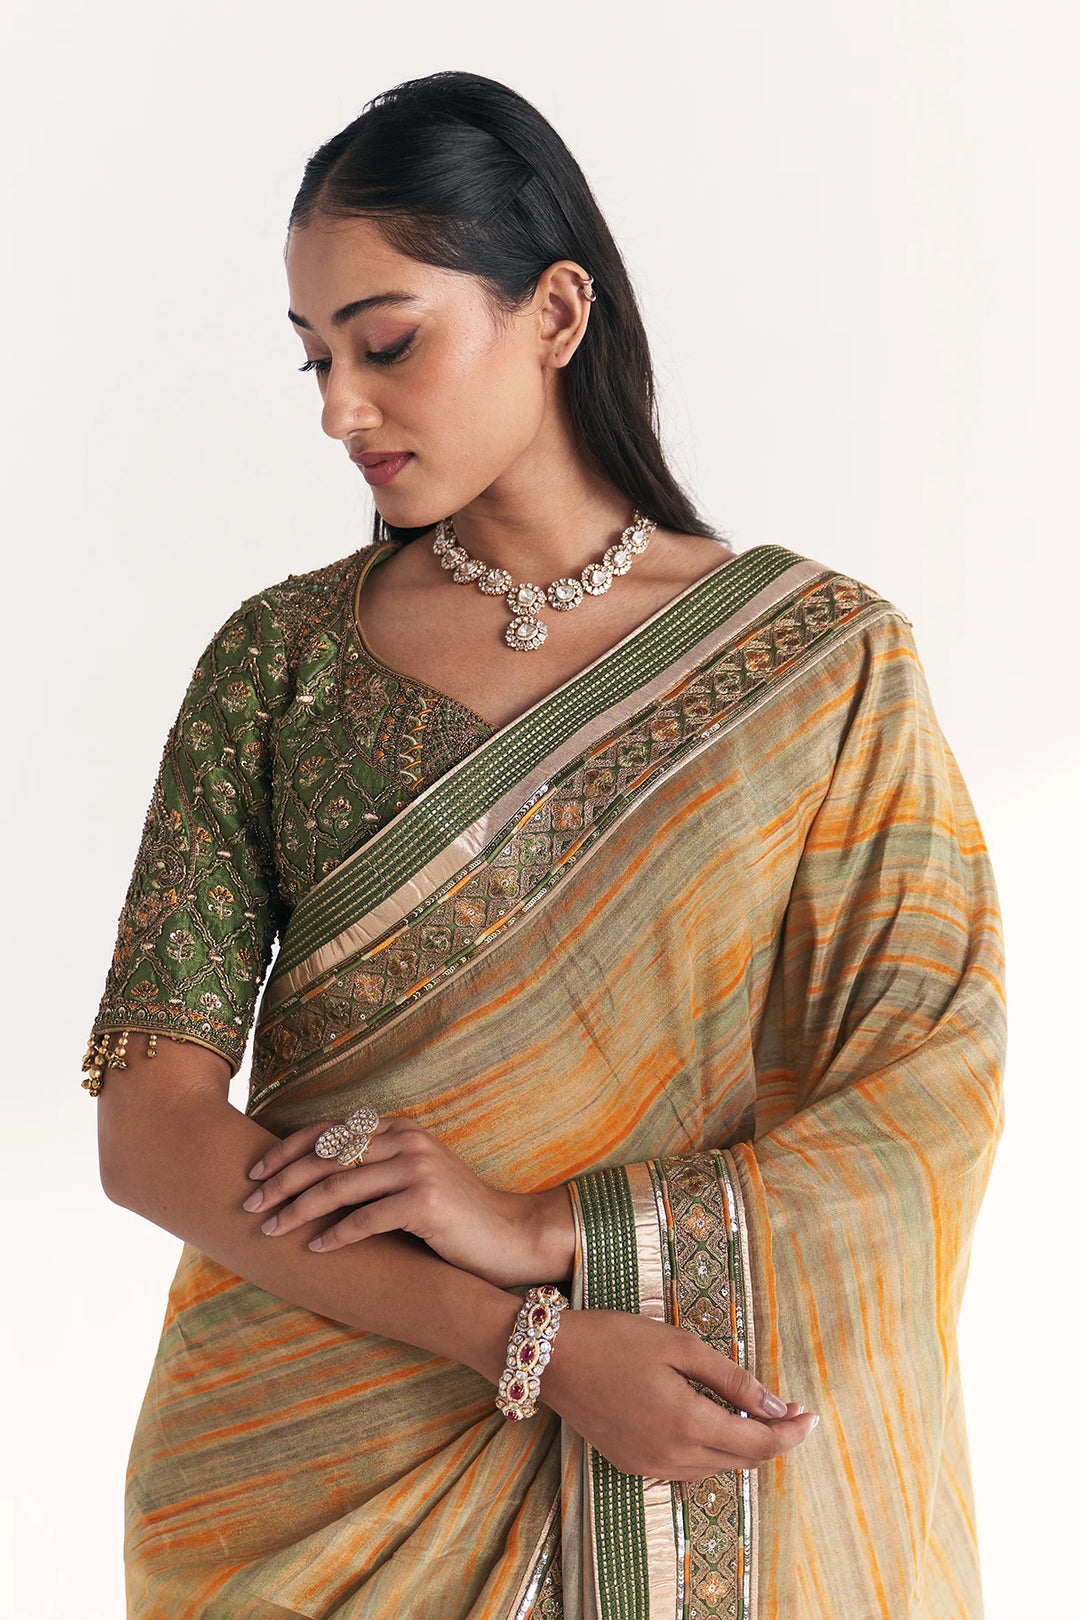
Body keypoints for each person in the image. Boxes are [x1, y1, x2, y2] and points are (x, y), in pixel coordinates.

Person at [84, 70, 1006, 1620]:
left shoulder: (819, 669)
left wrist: (543, 1230)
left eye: (386, 344)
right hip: (303, 1471)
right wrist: (526, 1339)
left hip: (675, 1428)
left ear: (556, 313)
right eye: (314, 360)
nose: (338, 409)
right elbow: (149, 1126)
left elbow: (929, 1096)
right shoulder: (280, 663)